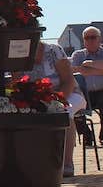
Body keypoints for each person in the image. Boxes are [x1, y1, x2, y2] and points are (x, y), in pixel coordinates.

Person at [29, 41, 85, 176]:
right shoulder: (18, 52)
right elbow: (17, 83)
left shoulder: (54, 50)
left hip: (69, 94)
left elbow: (69, 81)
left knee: (64, 112)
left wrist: (57, 101)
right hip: (39, 99)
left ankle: (67, 164)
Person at [71, 26, 103, 146]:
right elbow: (73, 71)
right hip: (85, 93)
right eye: (86, 38)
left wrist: (89, 65)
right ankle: (87, 134)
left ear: (99, 39)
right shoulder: (78, 55)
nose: (90, 40)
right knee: (72, 104)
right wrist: (101, 70)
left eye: (93, 37)